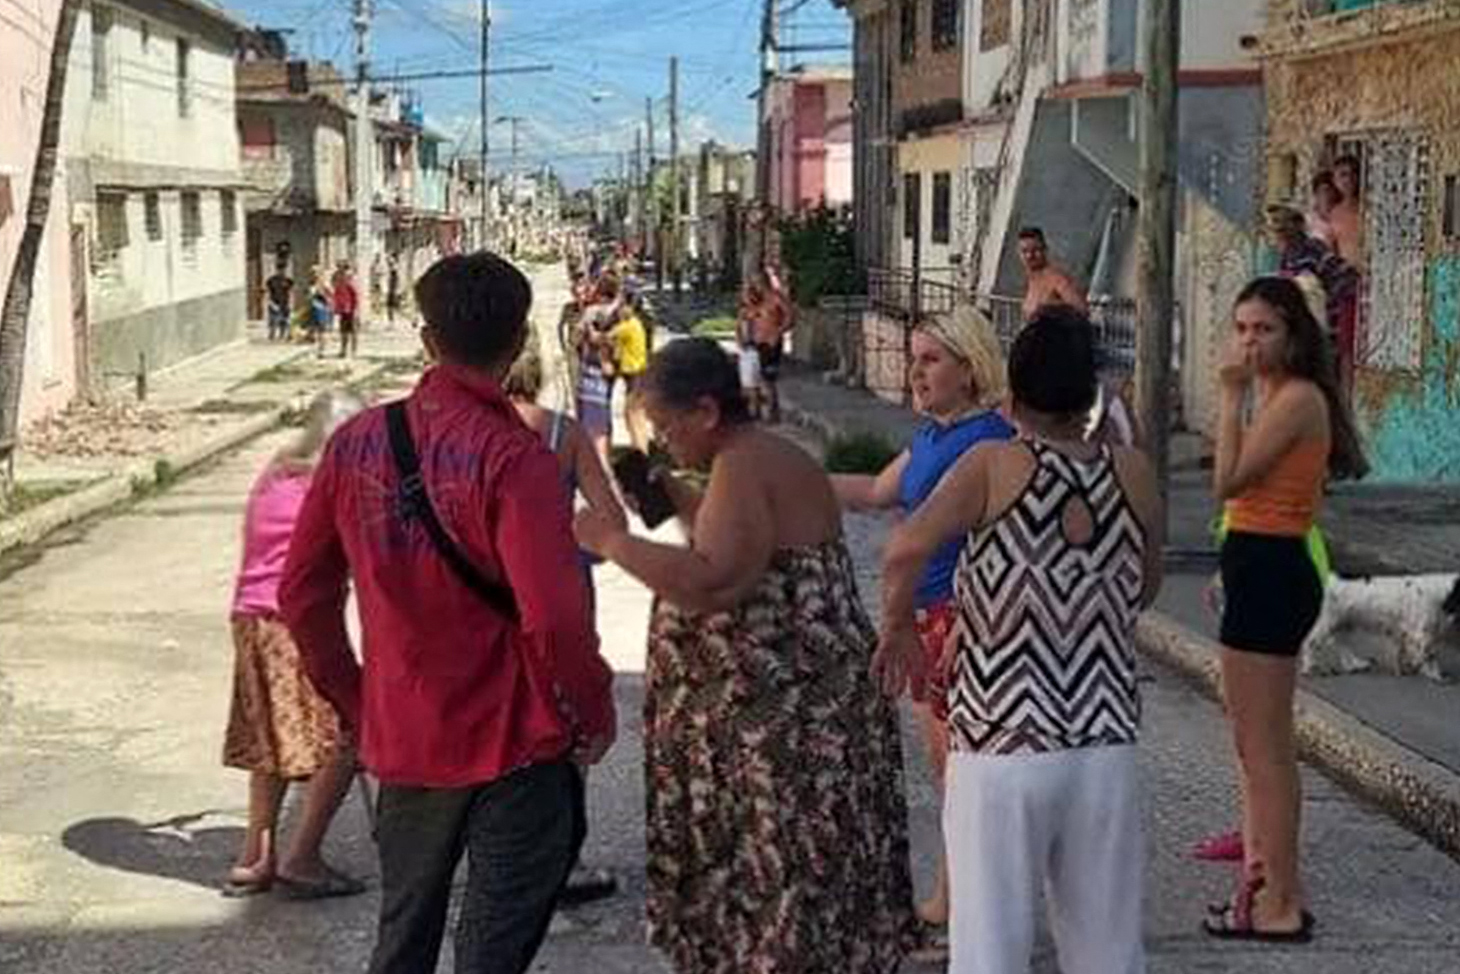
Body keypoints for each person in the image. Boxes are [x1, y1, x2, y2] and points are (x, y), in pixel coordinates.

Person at [280, 251, 617, 974]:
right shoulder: (515, 457)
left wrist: (356, 697)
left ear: (428, 341)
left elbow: (302, 596)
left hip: (406, 735)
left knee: (402, 939)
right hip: (517, 740)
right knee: (491, 953)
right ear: (519, 340)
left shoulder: (355, 443)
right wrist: (592, 708)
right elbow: (555, 618)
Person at [574, 337, 916, 974]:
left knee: (781, 883)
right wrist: (670, 492)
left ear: (706, 412)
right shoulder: (760, 458)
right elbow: (733, 535)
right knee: (805, 884)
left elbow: (714, 579)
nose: (664, 439)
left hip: (784, 725)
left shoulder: (744, 463)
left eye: (668, 426)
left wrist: (613, 542)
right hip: (799, 712)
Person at [873, 306, 1164, 974]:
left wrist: (898, 631)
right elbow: (1141, 589)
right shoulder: (1134, 473)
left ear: (1015, 388)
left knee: (990, 948)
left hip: (1002, 741)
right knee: (1108, 950)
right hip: (1103, 740)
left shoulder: (993, 466)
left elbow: (903, 551)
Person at [830, 305, 1014, 933]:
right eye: (914, 359)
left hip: (956, 619)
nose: (916, 373)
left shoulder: (989, 440)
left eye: (930, 360)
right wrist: (782, 476)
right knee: (948, 770)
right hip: (930, 615)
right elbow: (878, 492)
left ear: (970, 368)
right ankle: (957, 897)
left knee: (959, 772)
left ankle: (962, 904)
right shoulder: (934, 435)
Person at [1200, 276, 1367, 943]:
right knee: (1254, 743)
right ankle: (1265, 883)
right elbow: (1245, 502)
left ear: (1292, 335)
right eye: (1241, 327)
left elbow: (1227, 482)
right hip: (1257, 560)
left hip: (1274, 568)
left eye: (1263, 328)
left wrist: (1229, 392)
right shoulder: (1280, 397)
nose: (1248, 341)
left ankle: (1278, 902)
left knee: (1264, 747)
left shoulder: (1293, 399)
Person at [222, 389, 367, 900]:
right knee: (347, 734)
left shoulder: (277, 470)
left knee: (270, 738)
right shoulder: (330, 483)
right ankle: (302, 857)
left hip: (250, 617)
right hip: (294, 621)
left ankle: (255, 857)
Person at [502, 340, 626, 906]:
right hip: (561, 594)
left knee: (500, 718)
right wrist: (574, 544)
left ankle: (499, 856)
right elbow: (610, 520)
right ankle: (562, 858)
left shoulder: (462, 434)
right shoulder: (563, 434)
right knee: (568, 716)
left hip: (486, 600)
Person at [1268, 206, 1359, 397]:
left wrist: (1329, 301)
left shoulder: (1313, 249)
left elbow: (1344, 276)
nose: (1275, 238)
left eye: (1279, 231)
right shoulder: (1287, 257)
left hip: (1330, 315)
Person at [609, 294, 651, 450]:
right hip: (639, 371)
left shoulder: (627, 326)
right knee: (635, 413)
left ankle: (639, 449)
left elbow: (605, 337)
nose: (619, 310)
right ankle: (641, 446)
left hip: (634, 373)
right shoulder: (637, 323)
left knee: (632, 413)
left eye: (621, 307)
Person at [1018, 227, 1088, 320]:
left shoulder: (1056, 279)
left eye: (1035, 250)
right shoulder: (1031, 281)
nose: (1030, 256)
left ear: (1045, 249)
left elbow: (1081, 310)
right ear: (1019, 254)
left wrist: (1051, 310)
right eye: (1024, 251)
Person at [1329, 154, 1364, 269]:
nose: (1348, 180)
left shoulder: (1367, 208)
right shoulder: (1334, 212)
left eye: (1353, 174)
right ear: (1335, 180)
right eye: (1343, 175)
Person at [1308, 170, 1342, 251]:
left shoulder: (1341, 218)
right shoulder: (1309, 222)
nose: (1329, 195)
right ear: (1316, 194)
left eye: (1333, 190)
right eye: (1325, 190)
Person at [332, 261, 360, 359]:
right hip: (343, 310)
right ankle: (343, 350)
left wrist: (356, 309)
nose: (339, 272)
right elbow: (336, 296)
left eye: (341, 269)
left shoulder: (350, 281)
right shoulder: (339, 283)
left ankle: (353, 351)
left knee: (353, 331)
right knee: (343, 331)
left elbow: (356, 295)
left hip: (351, 309)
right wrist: (336, 307)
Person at [265, 264, 293, 342]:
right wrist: (269, 301)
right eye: (280, 270)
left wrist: (290, 302)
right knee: (273, 319)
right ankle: (272, 334)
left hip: (285, 302)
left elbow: (291, 291)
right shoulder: (271, 280)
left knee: (284, 320)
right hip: (274, 301)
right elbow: (268, 290)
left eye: (283, 270)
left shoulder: (288, 280)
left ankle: (282, 334)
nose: (281, 272)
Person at [385, 257, 403, 328]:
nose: (389, 264)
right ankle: (391, 323)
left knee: (395, 308)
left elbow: (396, 282)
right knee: (390, 308)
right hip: (391, 291)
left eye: (390, 263)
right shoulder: (391, 271)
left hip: (393, 291)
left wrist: (396, 291)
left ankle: (413, 319)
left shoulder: (394, 271)